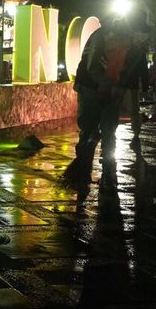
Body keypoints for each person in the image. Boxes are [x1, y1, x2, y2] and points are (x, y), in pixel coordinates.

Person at [64, 18, 131, 187]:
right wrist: (106, 86)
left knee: (109, 132)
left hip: (110, 92)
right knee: (88, 130)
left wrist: (118, 88)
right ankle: (83, 169)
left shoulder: (127, 44)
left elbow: (124, 69)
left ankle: (109, 172)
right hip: (90, 90)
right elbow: (93, 66)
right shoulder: (100, 38)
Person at [118, 19, 150, 154]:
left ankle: (110, 138)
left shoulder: (120, 49)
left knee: (115, 110)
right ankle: (136, 137)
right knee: (134, 112)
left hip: (120, 84)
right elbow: (144, 71)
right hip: (131, 85)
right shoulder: (137, 52)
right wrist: (145, 88)